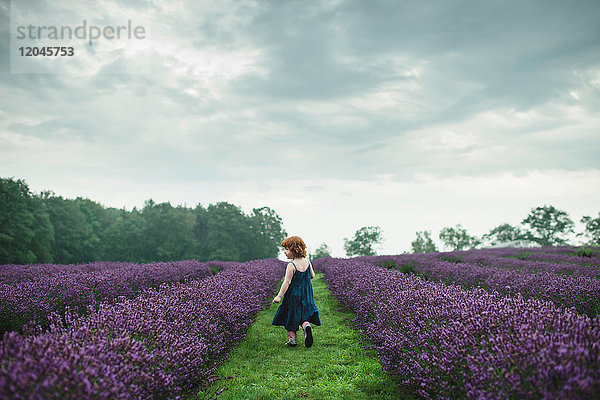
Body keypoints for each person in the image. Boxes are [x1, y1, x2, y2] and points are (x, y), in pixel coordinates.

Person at [272, 236, 321, 347]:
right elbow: (312, 276)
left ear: (294, 250)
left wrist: (279, 296)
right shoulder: (307, 262)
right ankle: (306, 326)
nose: (285, 252)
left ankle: (292, 339)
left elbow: (287, 282)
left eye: (287, 249)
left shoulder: (291, 265)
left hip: (293, 294)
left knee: (290, 315)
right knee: (304, 314)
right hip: (307, 294)